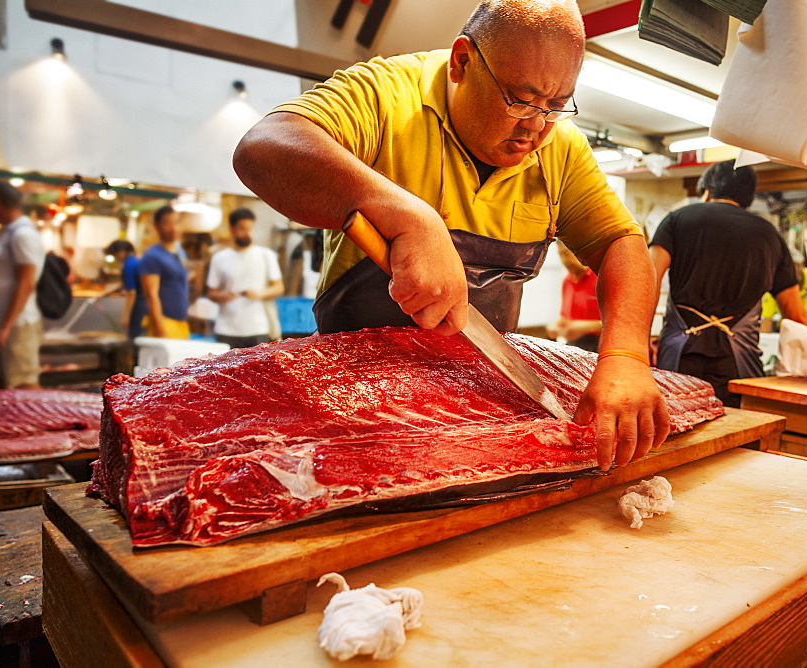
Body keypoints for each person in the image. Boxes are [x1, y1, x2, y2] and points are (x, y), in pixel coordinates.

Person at [233, 0, 669, 469]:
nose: (536, 127)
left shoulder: (561, 146)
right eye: (519, 101)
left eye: (556, 106)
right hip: (354, 404)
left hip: (479, 401)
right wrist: (409, 217)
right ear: (463, 61)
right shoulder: (386, 94)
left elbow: (620, 243)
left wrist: (625, 355)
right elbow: (264, 148)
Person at [649, 161, 807, 408]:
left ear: (706, 191)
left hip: (680, 359)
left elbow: (645, 279)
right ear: (747, 198)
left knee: (677, 431)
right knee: (737, 436)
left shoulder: (677, 220)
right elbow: (797, 316)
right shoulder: (770, 234)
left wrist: (637, 345)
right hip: (739, 364)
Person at [0, 180, 45, 390]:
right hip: (0, 323)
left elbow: (26, 282)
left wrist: (4, 329)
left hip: (17, 325)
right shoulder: (8, 232)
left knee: (24, 387)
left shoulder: (23, 234)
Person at [206, 208, 285, 348]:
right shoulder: (219, 258)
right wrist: (223, 295)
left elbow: (279, 287)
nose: (247, 233)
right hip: (226, 329)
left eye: (249, 228)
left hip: (258, 328)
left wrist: (259, 294)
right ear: (231, 229)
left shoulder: (265, 255)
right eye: (242, 228)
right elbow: (211, 292)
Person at [139, 206, 190, 339]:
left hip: (181, 321)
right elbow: (151, 295)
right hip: (164, 322)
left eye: (176, 222)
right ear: (156, 226)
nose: (173, 227)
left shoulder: (180, 252)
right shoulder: (152, 256)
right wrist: (160, 329)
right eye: (167, 223)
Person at [547, 241, 600, 352]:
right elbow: (565, 318)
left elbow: (622, 325)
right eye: (561, 254)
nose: (565, 259)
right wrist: (554, 326)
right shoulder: (567, 281)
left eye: (567, 253)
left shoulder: (600, 278)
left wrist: (585, 327)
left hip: (600, 345)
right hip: (574, 346)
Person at [104, 239, 145, 339]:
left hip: (138, 305)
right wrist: (105, 293)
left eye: (114, 254)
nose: (115, 258)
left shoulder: (128, 265)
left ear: (121, 252)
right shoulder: (134, 261)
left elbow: (131, 292)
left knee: (135, 337)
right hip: (143, 303)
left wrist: (126, 316)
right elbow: (123, 283)